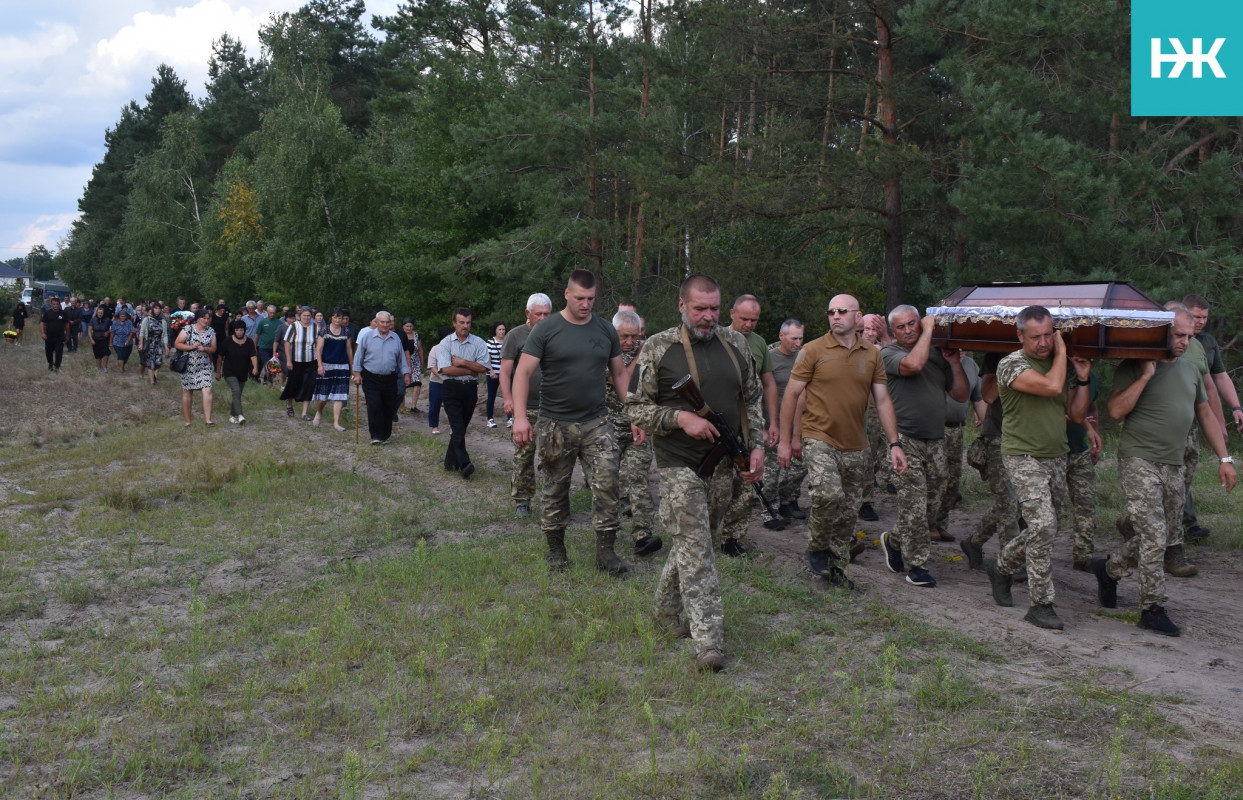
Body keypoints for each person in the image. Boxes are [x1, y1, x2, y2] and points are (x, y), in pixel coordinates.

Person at [627, 274, 764, 671]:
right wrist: (679, 417)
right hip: (677, 462)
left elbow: (751, 400)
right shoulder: (658, 348)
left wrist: (756, 447)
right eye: (700, 309)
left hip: (722, 461)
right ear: (682, 306)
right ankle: (708, 641)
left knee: (695, 541)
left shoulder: (735, 343)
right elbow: (635, 407)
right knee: (699, 550)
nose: (708, 317)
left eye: (714, 309)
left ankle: (663, 611)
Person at [1092, 306, 1236, 636]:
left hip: (1174, 463)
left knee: (1160, 534)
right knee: (1156, 535)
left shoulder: (1189, 370)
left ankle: (1109, 570)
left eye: (1189, 336)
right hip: (1139, 459)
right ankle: (1152, 608)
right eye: (1178, 335)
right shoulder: (1134, 365)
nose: (1185, 341)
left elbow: (1205, 415)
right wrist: (1145, 375)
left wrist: (1225, 459)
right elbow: (1115, 410)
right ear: (1159, 331)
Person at [779, 295, 906, 589]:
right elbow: (791, 396)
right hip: (819, 435)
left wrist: (895, 443)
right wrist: (787, 441)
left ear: (857, 316)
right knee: (827, 495)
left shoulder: (872, 355)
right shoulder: (812, 350)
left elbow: (883, 400)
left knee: (848, 512)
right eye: (831, 312)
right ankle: (816, 545)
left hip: (856, 445)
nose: (835, 316)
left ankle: (836, 568)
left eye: (842, 311)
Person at [984, 305, 1092, 631]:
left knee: (1045, 528)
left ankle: (1001, 567)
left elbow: (1075, 414)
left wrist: (1083, 378)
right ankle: (1041, 604)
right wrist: (1062, 350)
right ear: (1020, 336)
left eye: (1048, 335)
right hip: (1022, 455)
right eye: (1036, 337)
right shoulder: (1011, 364)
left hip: (1057, 455)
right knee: (1043, 525)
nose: (1043, 343)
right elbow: (1050, 388)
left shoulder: (1063, 368)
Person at [513, 271, 629, 573]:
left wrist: (636, 411)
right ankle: (556, 552)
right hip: (555, 424)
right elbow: (522, 373)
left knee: (607, 483)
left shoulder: (605, 329)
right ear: (567, 294)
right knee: (554, 489)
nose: (586, 304)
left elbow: (619, 374)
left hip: (597, 422)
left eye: (591, 299)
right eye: (580, 298)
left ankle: (606, 553)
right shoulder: (547, 329)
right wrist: (521, 418)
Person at [879, 306, 968, 587]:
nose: (909, 330)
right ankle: (917, 566)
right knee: (914, 506)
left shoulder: (937, 353)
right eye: (901, 327)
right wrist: (929, 330)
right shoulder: (889, 354)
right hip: (904, 440)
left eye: (913, 324)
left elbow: (960, 393)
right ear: (893, 332)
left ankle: (893, 540)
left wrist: (953, 362)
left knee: (932, 504)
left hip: (936, 439)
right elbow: (913, 366)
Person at [718, 294, 783, 552]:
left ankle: (732, 537)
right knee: (716, 484)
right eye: (744, 318)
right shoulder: (716, 337)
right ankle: (708, 531)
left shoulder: (759, 343)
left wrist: (773, 422)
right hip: (719, 418)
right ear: (732, 313)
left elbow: (768, 383)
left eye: (754, 320)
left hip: (749, 419)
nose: (749, 324)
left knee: (746, 480)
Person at [1180, 294, 1243, 543]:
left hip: (1197, 414)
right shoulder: (1168, 340)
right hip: (1172, 415)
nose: (1201, 322)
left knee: (1187, 468)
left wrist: (1235, 408)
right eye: (1196, 317)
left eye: (1204, 317)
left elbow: (1218, 379)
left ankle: (1188, 524)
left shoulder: (1206, 342)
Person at [959, 352, 1019, 569]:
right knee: (1009, 501)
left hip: (1029, 439)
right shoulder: (998, 355)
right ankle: (1010, 563)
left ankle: (974, 542)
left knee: (1016, 502)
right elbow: (989, 396)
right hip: (999, 437)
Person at [608, 308, 659, 555]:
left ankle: (643, 535)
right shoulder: (604, 354)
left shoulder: (648, 353)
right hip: (609, 431)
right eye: (624, 337)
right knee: (607, 483)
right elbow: (624, 379)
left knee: (638, 479)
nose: (630, 342)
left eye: (634, 336)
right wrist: (641, 351)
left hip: (639, 430)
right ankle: (607, 533)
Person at [500, 294, 553, 518]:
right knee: (523, 454)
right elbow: (505, 370)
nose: (542, 318)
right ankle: (523, 500)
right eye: (538, 314)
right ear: (527, 314)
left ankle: (554, 500)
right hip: (525, 407)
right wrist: (509, 398)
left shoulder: (556, 333)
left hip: (552, 406)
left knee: (552, 454)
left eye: (546, 314)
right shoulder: (515, 336)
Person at [932, 350, 985, 542]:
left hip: (958, 429)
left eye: (964, 345)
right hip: (936, 429)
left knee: (953, 482)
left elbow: (977, 398)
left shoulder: (971, 365)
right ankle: (928, 525)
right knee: (937, 478)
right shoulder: (935, 361)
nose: (960, 349)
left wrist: (988, 432)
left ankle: (939, 522)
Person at [763, 319, 809, 525]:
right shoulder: (770, 358)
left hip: (799, 421)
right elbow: (760, 391)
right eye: (794, 338)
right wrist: (764, 425)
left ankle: (789, 501)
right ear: (782, 336)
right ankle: (768, 509)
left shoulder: (804, 358)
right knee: (772, 468)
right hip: (774, 421)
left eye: (801, 338)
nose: (798, 342)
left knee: (799, 465)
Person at [436, 309, 488, 477]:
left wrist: (462, 363)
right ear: (454, 323)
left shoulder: (478, 342)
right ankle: (464, 464)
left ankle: (449, 462)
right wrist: (470, 370)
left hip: (470, 390)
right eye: (462, 322)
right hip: (451, 388)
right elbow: (445, 369)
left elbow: (483, 367)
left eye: (468, 322)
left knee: (461, 427)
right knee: (457, 427)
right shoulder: (445, 343)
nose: (465, 326)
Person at [351, 311, 411, 444]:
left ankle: (385, 435)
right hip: (371, 376)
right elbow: (358, 356)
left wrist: (406, 374)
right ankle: (376, 435)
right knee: (374, 404)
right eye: (382, 322)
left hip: (390, 377)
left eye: (387, 322)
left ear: (391, 323)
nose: (385, 325)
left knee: (388, 406)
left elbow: (401, 358)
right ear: (376, 323)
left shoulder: (395, 338)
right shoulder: (367, 337)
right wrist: (357, 374)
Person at [313, 308, 354, 431]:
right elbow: (319, 349)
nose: (338, 320)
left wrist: (352, 367)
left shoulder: (346, 331)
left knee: (340, 395)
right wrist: (320, 365)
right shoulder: (324, 330)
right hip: (327, 365)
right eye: (336, 317)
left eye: (340, 318)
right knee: (324, 395)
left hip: (342, 365)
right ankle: (319, 412)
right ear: (331, 318)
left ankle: (336, 422)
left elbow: (349, 350)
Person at [175, 308, 217, 426]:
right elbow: (177, 344)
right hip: (188, 365)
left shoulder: (211, 331)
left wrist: (205, 349)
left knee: (207, 389)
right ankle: (188, 421)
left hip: (204, 365)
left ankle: (208, 420)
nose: (206, 320)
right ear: (197, 318)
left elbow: (214, 348)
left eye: (208, 318)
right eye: (204, 318)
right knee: (188, 392)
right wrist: (191, 347)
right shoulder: (188, 329)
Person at [281, 307, 319, 420]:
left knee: (309, 385)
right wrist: (288, 360)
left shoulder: (315, 327)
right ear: (300, 315)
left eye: (308, 315)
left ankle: (304, 412)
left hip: (311, 361)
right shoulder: (294, 326)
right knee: (293, 383)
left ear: (311, 316)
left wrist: (319, 360)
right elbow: (287, 343)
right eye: (304, 315)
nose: (306, 318)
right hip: (296, 361)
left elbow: (318, 344)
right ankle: (289, 405)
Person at [219, 319, 258, 424]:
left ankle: (232, 415)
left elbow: (253, 355)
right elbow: (220, 356)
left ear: (244, 330)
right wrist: (218, 371)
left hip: (243, 372)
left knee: (237, 394)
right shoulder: (227, 341)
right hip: (229, 371)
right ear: (234, 330)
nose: (239, 332)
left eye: (241, 330)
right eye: (237, 330)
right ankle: (240, 415)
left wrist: (255, 367)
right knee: (236, 390)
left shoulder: (249, 342)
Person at [426, 324, 452, 435]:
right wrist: (442, 377)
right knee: (435, 405)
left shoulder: (455, 348)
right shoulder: (435, 349)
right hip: (437, 382)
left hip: (451, 382)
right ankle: (434, 426)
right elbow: (432, 366)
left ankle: (453, 426)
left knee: (451, 406)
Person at [485, 321, 509, 428]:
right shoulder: (490, 342)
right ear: (495, 330)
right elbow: (486, 358)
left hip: (506, 373)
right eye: (499, 329)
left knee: (508, 395)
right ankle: (490, 419)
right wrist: (491, 371)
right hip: (493, 372)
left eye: (503, 329)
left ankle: (510, 418)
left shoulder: (508, 341)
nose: (502, 332)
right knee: (491, 396)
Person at [399, 317, 425, 415]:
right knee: (403, 385)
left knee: (417, 382)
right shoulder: (400, 335)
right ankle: (402, 407)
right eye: (407, 326)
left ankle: (414, 406)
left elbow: (420, 349)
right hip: (403, 362)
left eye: (410, 326)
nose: (409, 328)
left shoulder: (416, 335)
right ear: (403, 326)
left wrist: (422, 362)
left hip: (415, 362)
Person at [138, 304, 168, 384]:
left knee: (158, 362)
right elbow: (142, 332)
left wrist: (166, 346)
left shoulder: (163, 321)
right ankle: (152, 381)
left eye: (159, 308)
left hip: (158, 343)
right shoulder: (147, 319)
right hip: (149, 343)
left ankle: (155, 378)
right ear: (153, 309)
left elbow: (165, 334)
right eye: (155, 308)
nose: (157, 310)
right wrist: (141, 344)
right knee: (150, 362)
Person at [39, 295, 71, 372]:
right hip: (49, 336)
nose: (55, 306)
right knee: (49, 351)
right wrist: (43, 333)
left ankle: (57, 366)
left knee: (59, 352)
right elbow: (42, 323)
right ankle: (50, 363)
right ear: (51, 304)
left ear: (59, 304)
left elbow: (67, 325)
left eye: (57, 304)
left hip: (60, 336)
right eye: (54, 304)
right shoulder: (47, 313)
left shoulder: (63, 313)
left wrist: (67, 335)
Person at [254, 305, 281, 385]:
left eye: (273, 313)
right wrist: (255, 346)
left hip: (275, 348)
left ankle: (267, 379)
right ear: (267, 312)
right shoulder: (263, 322)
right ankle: (269, 380)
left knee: (273, 364)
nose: (272, 314)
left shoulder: (279, 322)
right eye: (270, 312)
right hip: (264, 347)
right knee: (267, 363)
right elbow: (257, 335)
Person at [110, 309, 136, 373]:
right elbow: (112, 333)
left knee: (126, 356)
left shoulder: (129, 322)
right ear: (119, 316)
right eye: (121, 316)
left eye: (124, 316)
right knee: (120, 355)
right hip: (117, 341)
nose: (122, 317)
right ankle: (120, 369)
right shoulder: (115, 322)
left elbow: (131, 332)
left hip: (128, 342)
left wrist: (128, 341)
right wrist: (110, 342)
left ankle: (122, 365)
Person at [88, 305, 112, 372]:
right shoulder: (93, 320)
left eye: (101, 313)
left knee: (106, 353)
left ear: (103, 313)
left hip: (104, 339)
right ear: (97, 313)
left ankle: (105, 367)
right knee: (97, 354)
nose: (100, 314)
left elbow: (112, 327)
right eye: (99, 313)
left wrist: (108, 331)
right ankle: (99, 368)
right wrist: (91, 339)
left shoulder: (107, 320)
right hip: (96, 338)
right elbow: (89, 330)